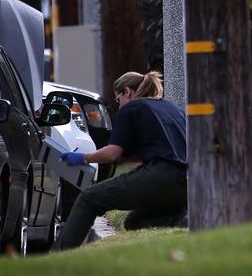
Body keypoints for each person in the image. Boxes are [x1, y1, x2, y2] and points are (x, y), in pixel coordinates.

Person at [52, 71, 188, 251]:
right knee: (135, 221)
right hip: (186, 183)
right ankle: (180, 224)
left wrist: (84, 157)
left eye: (118, 100)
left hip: (162, 174)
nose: (119, 105)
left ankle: (60, 254)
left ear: (127, 92)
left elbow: (112, 154)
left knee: (89, 199)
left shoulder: (132, 108)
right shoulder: (173, 108)